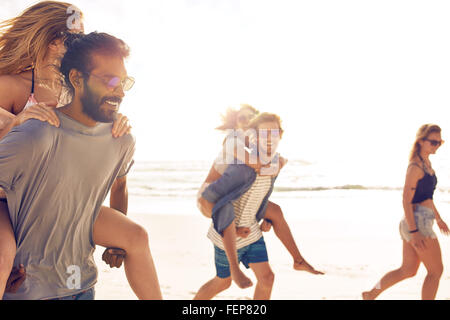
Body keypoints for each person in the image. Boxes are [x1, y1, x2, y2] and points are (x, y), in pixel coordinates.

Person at [0, 1, 154, 299]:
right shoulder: (12, 84)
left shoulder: (70, 86)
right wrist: (15, 122)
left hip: (55, 196)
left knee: (135, 236)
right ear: (52, 39)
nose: (79, 45)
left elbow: (91, 122)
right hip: (6, 198)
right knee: (4, 257)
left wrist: (115, 118)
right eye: (74, 37)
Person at [197, 105, 323, 290]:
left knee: (275, 212)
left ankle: (298, 260)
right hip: (209, 198)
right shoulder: (233, 141)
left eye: (251, 118)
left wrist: (262, 216)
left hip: (233, 196)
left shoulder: (254, 144)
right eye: (242, 119)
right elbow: (256, 165)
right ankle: (234, 262)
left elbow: (256, 188)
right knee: (227, 210)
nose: (247, 122)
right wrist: (277, 163)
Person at [362, 124, 449, 300]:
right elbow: (406, 200)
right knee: (436, 271)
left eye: (439, 142)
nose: (436, 146)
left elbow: (427, 198)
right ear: (421, 142)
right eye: (433, 142)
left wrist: (439, 219)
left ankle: (371, 294)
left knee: (407, 270)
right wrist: (414, 232)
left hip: (417, 221)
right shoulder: (415, 168)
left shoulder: (427, 165)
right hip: (417, 224)